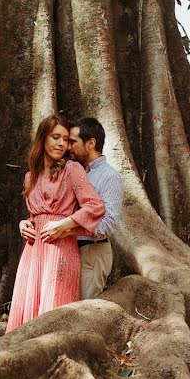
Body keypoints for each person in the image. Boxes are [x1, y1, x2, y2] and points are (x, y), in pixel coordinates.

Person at [5, 113, 105, 332]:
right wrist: (24, 224)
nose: (62, 143)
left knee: (53, 314)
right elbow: (36, 216)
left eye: (66, 139)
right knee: (27, 316)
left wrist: (66, 224)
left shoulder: (72, 170)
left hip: (61, 252)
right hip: (32, 255)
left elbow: (95, 206)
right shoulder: (30, 177)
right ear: (43, 139)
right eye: (55, 137)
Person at [67, 117, 123, 299]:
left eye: (73, 141)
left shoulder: (109, 176)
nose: (69, 147)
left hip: (93, 252)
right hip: (75, 250)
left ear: (90, 143)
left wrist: (70, 228)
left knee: (84, 310)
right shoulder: (80, 172)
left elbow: (109, 224)